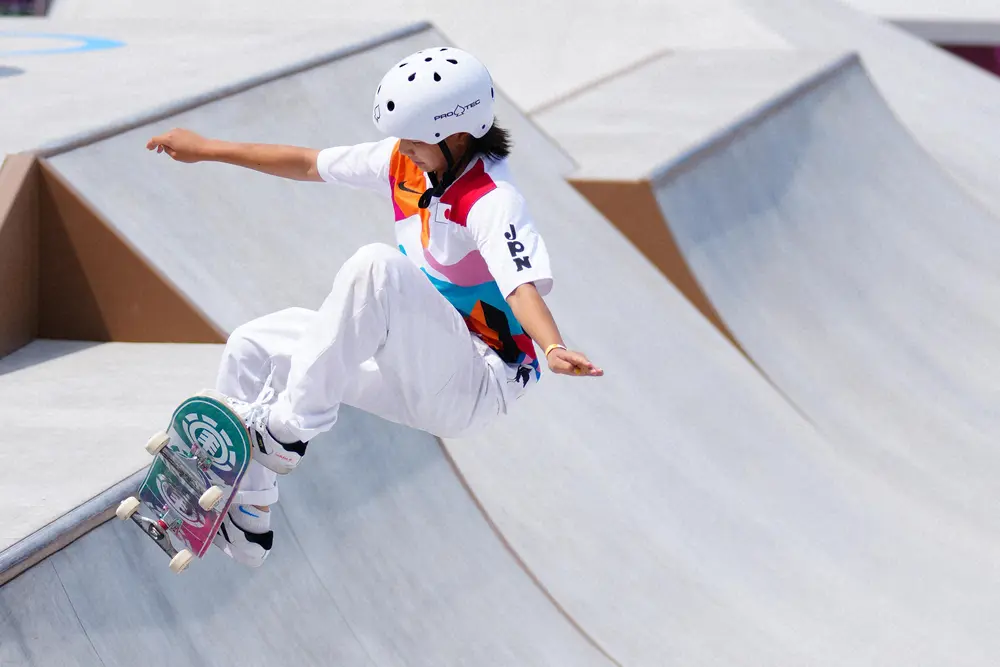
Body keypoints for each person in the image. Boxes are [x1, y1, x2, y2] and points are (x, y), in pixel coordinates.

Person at [146, 47, 603, 567]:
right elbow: (307, 163)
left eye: (414, 140)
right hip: (416, 367)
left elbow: (521, 286)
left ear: (456, 136)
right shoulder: (404, 162)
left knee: (377, 267)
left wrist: (553, 347)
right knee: (253, 344)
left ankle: (288, 431)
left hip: (475, 383)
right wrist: (206, 149)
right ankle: (248, 515)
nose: (403, 150)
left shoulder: (492, 199)